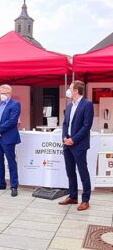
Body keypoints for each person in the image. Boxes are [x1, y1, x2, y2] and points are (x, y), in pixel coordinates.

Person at [59, 80, 94, 211]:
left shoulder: (87, 104)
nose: (68, 90)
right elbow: (65, 124)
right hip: (67, 144)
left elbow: (87, 126)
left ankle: (85, 200)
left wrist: (73, 139)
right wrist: (64, 137)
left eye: (70, 88)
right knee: (70, 171)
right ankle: (73, 196)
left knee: (83, 172)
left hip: (78, 144)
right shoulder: (69, 106)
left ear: (75, 91)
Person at [0, 84, 21, 197]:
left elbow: (12, 121)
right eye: (0, 93)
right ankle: (1, 183)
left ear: (9, 93)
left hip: (8, 138)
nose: (1, 95)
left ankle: (14, 186)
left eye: (3, 93)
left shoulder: (15, 104)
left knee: (11, 162)